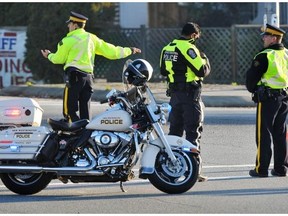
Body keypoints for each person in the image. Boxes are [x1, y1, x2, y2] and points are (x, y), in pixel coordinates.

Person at [41, 11, 141, 122]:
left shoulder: (67, 40)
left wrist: (49, 55)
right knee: (85, 110)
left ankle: (72, 134)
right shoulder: (92, 39)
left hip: (74, 77)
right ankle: (86, 133)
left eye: (69, 23)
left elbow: (58, 59)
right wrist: (130, 50)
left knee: (69, 110)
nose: (68, 25)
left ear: (75, 25)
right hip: (88, 78)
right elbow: (112, 52)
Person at [159, 22, 211, 182]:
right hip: (190, 96)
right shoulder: (189, 48)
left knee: (174, 133)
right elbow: (201, 70)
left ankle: (169, 170)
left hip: (175, 96)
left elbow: (162, 70)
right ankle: (193, 172)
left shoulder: (167, 48)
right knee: (192, 132)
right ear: (194, 35)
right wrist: (205, 60)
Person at [246, 23, 288, 177]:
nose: (263, 38)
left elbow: (251, 80)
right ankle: (280, 168)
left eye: (266, 36)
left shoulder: (265, 55)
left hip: (268, 99)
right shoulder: (286, 54)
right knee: (280, 134)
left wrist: (253, 89)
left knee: (263, 134)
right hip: (284, 99)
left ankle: (261, 169)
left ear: (274, 38)